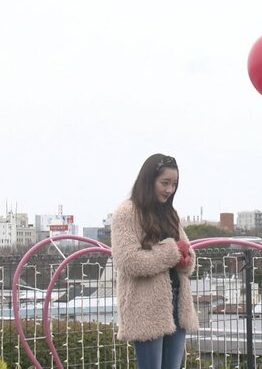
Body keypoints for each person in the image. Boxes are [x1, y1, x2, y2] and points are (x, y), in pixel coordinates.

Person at [111, 153, 198, 369]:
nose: (170, 189)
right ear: (149, 180)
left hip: (178, 302)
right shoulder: (127, 212)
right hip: (146, 307)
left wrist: (186, 258)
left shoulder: (170, 213)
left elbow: (186, 253)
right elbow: (128, 260)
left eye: (174, 184)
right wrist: (172, 253)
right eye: (165, 183)